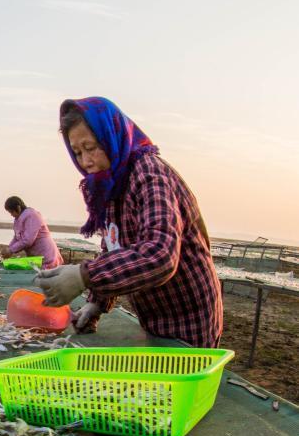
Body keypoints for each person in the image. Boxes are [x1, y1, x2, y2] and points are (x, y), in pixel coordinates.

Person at [34, 97, 222, 348]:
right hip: (154, 319)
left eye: (91, 147)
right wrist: (96, 303)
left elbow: (160, 255)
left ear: (111, 137)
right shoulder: (111, 185)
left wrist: (83, 275)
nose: (85, 161)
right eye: (77, 152)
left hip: (188, 321)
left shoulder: (149, 175)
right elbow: (112, 246)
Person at [1, 196, 64, 269]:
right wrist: (9, 248)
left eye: (12, 212)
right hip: (36, 258)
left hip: (46, 255)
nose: (11, 215)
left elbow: (28, 240)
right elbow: (17, 237)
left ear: (18, 208)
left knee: (44, 276)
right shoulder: (18, 219)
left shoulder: (31, 215)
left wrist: (11, 250)